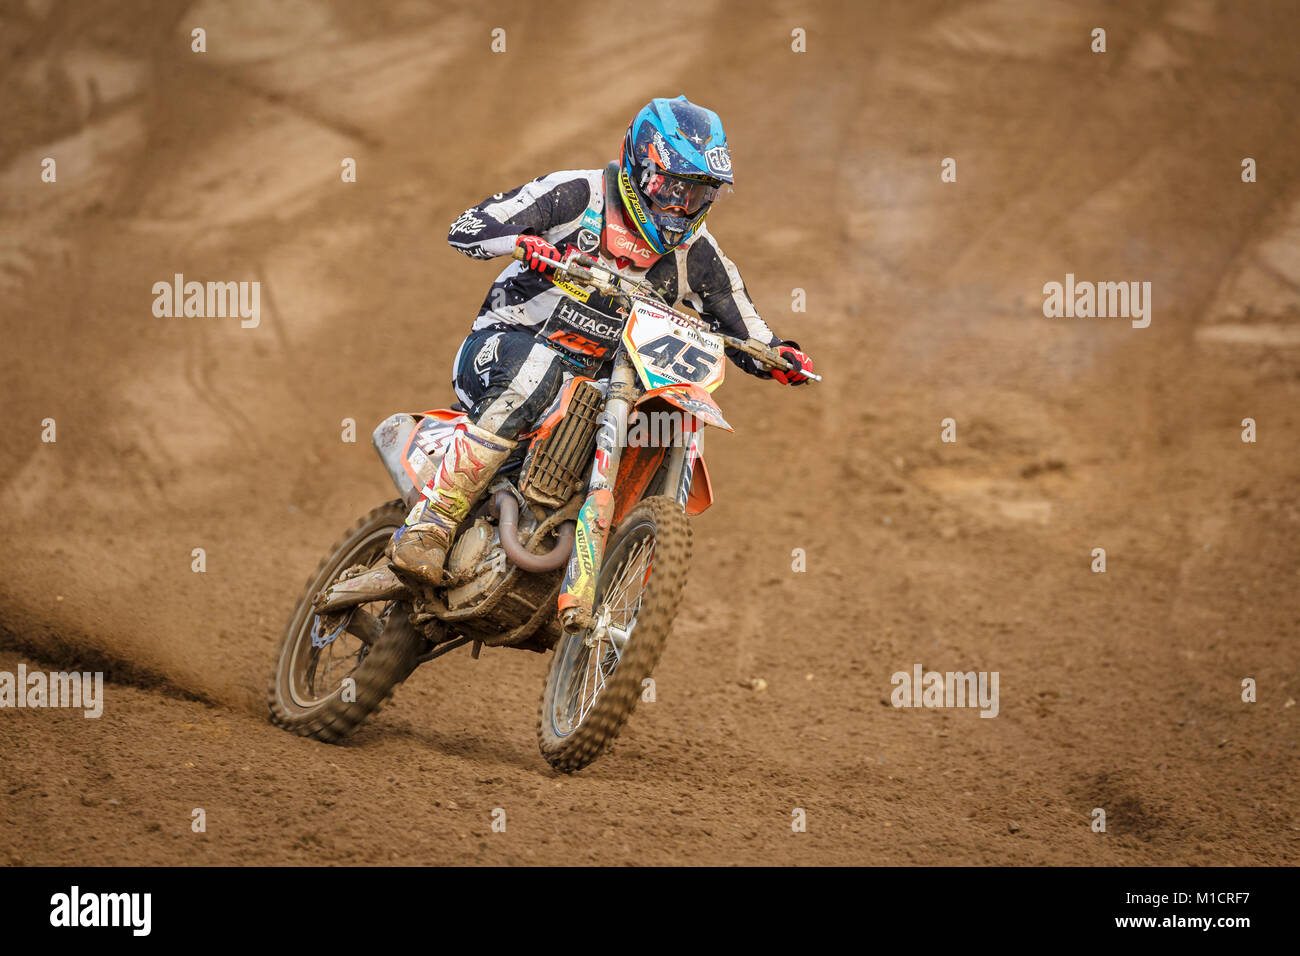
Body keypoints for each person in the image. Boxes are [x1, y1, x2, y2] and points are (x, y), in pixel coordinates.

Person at [390, 95, 815, 586]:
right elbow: (468, 228)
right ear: (638, 166)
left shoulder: (697, 254)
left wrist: (781, 355)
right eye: (669, 187)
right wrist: (522, 243)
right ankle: (430, 526)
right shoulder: (578, 194)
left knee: (658, 416)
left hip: (600, 385)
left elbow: (745, 324)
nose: (679, 206)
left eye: (697, 195)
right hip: (503, 346)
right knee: (538, 371)